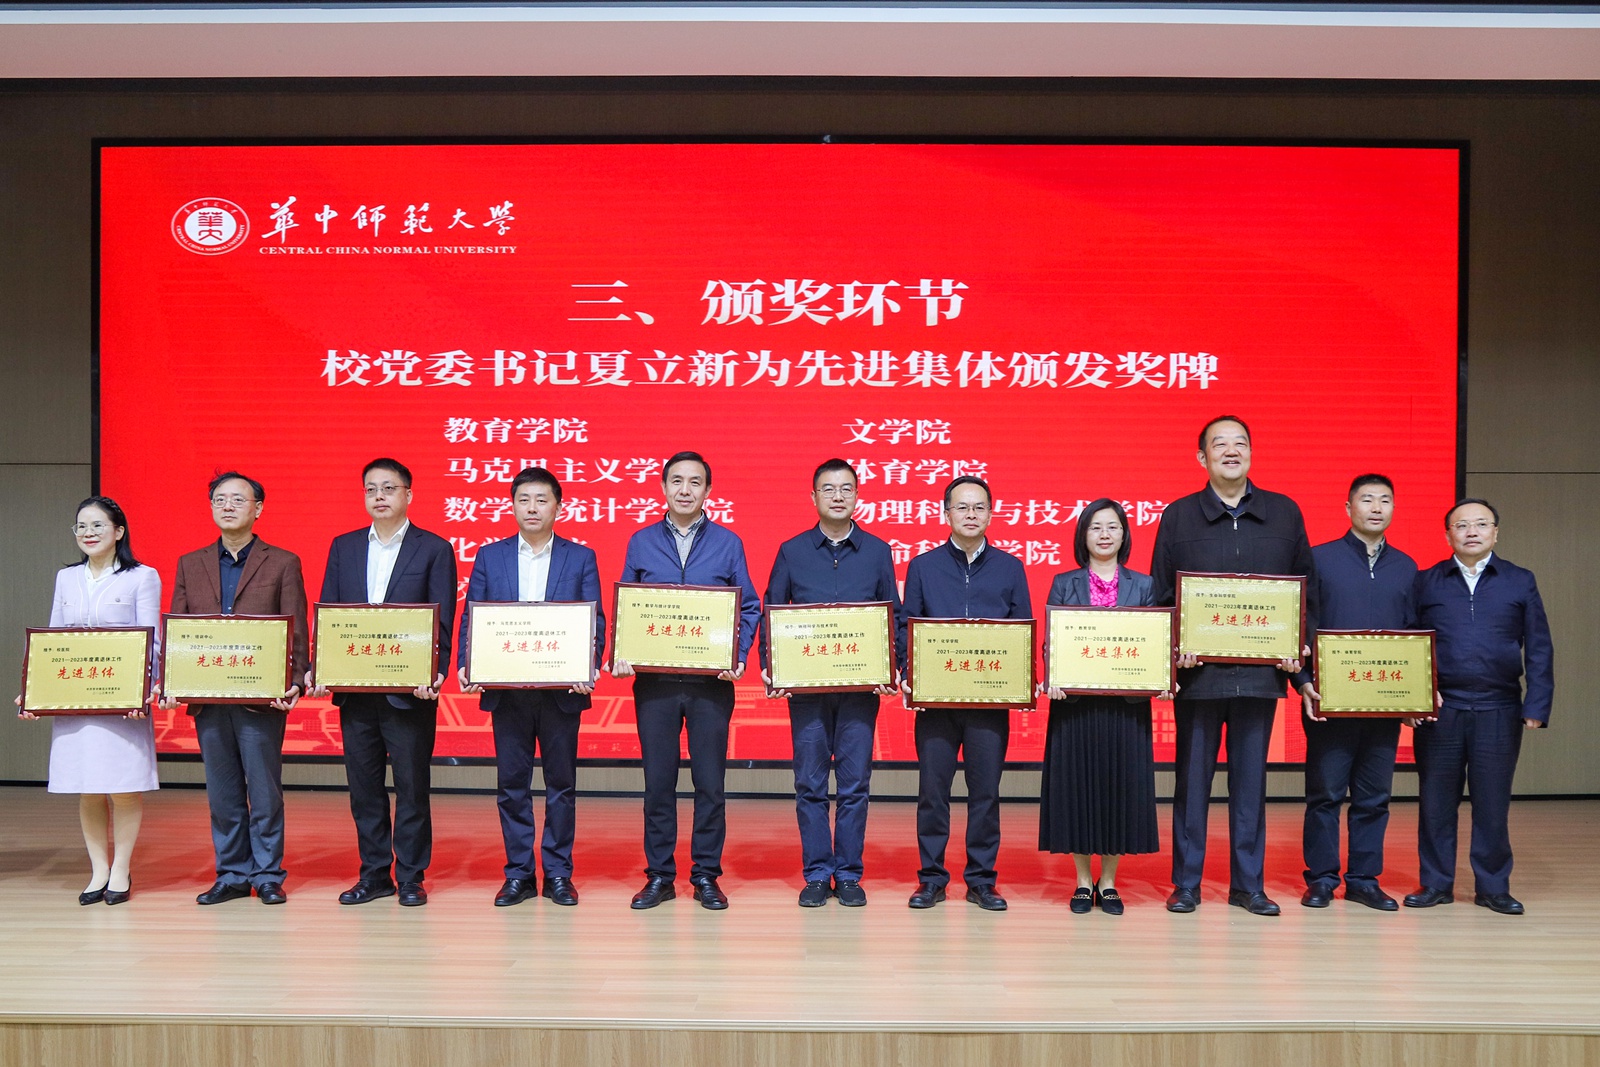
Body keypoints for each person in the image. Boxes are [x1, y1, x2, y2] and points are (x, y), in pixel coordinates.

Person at [1149, 416, 1315, 917]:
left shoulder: (1283, 513)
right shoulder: (1179, 516)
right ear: (1202, 458)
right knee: (1191, 784)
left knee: (1250, 786)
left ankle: (1248, 886)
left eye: (1240, 442)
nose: (1230, 451)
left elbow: (1304, 594)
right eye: (1219, 444)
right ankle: (1187, 884)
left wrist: (1296, 654)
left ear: (1251, 453)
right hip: (1199, 678)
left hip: (1261, 677)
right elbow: (1162, 596)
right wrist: (1174, 652)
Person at [613, 451, 761, 911]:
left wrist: (737, 655)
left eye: (695, 482)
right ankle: (659, 876)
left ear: (708, 491)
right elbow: (627, 607)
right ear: (663, 487)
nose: (684, 489)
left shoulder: (728, 543)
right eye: (676, 480)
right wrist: (622, 652)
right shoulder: (641, 541)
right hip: (655, 685)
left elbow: (749, 606)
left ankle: (705, 876)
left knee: (709, 784)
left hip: (710, 686)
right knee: (658, 784)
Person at [309, 459, 456, 908]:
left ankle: (410, 876)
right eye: (371, 488)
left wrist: (436, 672)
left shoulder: (434, 548)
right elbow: (331, 613)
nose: (379, 496)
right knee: (364, 788)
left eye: (389, 488)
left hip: (409, 692)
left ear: (408, 494)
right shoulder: (345, 546)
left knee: (412, 787)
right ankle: (374, 874)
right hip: (356, 691)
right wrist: (321, 666)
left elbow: (442, 620)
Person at [457, 466, 604, 908]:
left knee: (561, 785)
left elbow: (594, 620)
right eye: (524, 499)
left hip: (561, 692)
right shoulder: (491, 556)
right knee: (512, 786)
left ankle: (558, 873)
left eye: (542, 499)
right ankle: (519, 874)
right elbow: (473, 615)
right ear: (513, 505)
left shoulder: (581, 557)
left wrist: (588, 664)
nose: (533, 507)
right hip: (508, 693)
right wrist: (467, 663)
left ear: (558, 506)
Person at [763, 458, 904, 908]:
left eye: (846, 489)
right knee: (809, 784)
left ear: (857, 495)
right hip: (807, 691)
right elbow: (772, 610)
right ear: (814, 497)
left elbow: (894, 616)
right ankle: (817, 873)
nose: (838, 496)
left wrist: (895, 668)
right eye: (828, 489)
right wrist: (771, 666)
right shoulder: (792, 551)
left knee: (854, 785)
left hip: (861, 691)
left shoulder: (877, 551)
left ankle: (848, 874)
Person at [165, 472, 309, 906]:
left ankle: (267, 874)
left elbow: (296, 629)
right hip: (209, 698)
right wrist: (172, 680)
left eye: (237, 499)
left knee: (264, 792)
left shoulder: (282, 562)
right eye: (219, 499)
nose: (227, 506)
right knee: (223, 792)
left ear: (258, 508)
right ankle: (231, 873)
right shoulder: (190, 563)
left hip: (261, 698)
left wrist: (295, 680)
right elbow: (179, 630)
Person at [1405, 498, 1553, 916]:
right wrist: (1414, 697)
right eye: (1462, 525)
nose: (1472, 532)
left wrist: (1536, 703)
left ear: (1495, 533)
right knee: (1436, 802)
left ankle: (1493, 887)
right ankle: (1436, 884)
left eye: (1481, 524)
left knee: (1492, 803)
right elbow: (1409, 641)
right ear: (1448, 534)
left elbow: (1539, 645)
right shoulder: (1427, 581)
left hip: (1499, 706)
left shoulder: (1519, 580)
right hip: (1441, 709)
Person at [16, 497, 160, 905]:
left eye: (98, 525)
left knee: (123, 788)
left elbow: (152, 640)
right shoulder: (67, 578)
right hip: (76, 702)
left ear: (119, 531)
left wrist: (144, 690)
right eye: (81, 526)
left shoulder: (142, 576)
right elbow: (52, 640)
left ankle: (121, 869)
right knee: (88, 789)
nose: (88, 533)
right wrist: (34, 690)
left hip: (123, 705)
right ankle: (98, 870)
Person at [904, 475, 1033, 913]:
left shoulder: (1010, 568)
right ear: (946, 514)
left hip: (988, 705)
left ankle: (981, 880)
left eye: (979, 507)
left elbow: (1021, 633)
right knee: (932, 793)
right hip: (936, 704)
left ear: (991, 514)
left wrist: (1020, 680)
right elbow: (907, 629)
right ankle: (932, 879)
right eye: (962, 507)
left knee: (985, 794)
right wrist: (908, 674)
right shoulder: (923, 567)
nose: (971, 514)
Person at [1293, 475, 1418, 912]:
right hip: (1329, 701)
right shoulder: (1320, 559)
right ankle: (1322, 879)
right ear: (1348, 508)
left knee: (1374, 797)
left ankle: (1364, 880)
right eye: (1367, 499)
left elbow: (1414, 636)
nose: (1377, 507)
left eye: (1385, 500)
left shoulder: (1406, 567)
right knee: (1325, 795)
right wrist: (1303, 680)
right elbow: (1300, 624)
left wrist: (1414, 695)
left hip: (1384, 704)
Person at [1038, 499, 1159, 916]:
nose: (1104, 534)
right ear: (1083, 535)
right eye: (1095, 527)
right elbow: (1051, 642)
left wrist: (1159, 677)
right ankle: (1082, 880)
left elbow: (1154, 642)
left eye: (1112, 527)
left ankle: (1108, 881)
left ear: (1124, 534)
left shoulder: (1143, 585)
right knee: (1078, 790)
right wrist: (1053, 675)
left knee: (1118, 790)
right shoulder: (1064, 582)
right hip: (1075, 706)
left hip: (1126, 707)